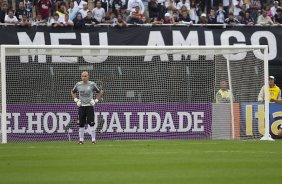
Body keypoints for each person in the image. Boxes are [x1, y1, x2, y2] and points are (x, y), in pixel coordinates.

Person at [71, 71, 104, 144]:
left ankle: (93, 140)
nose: (84, 77)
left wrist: (96, 100)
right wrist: (76, 100)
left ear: (88, 76)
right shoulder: (78, 84)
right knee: (81, 124)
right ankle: (81, 140)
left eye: (85, 76)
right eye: (82, 76)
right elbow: (72, 91)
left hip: (89, 106)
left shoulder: (92, 84)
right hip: (81, 107)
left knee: (91, 124)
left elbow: (100, 92)